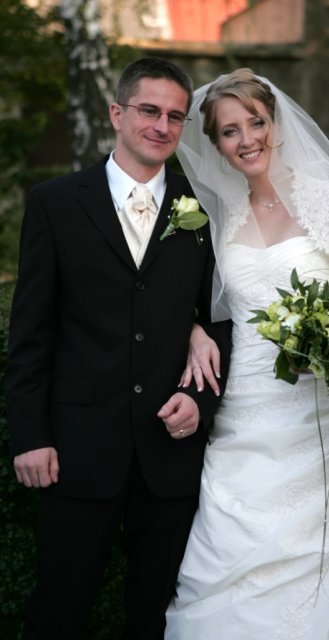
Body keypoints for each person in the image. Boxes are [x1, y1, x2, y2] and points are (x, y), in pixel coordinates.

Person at [165, 68, 329, 639]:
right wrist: (194, 330)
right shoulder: (218, 217)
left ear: (276, 123)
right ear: (216, 146)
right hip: (244, 411)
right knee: (233, 548)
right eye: (229, 131)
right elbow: (195, 301)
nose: (246, 139)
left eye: (255, 122)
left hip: (322, 408)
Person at [5, 57, 231, 640]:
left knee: (156, 616)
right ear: (117, 113)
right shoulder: (55, 202)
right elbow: (31, 331)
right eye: (149, 110)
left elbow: (224, 321)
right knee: (58, 608)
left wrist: (199, 400)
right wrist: (30, 435)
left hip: (170, 450)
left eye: (175, 116)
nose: (162, 126)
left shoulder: (206, 207)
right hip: (78, 445)